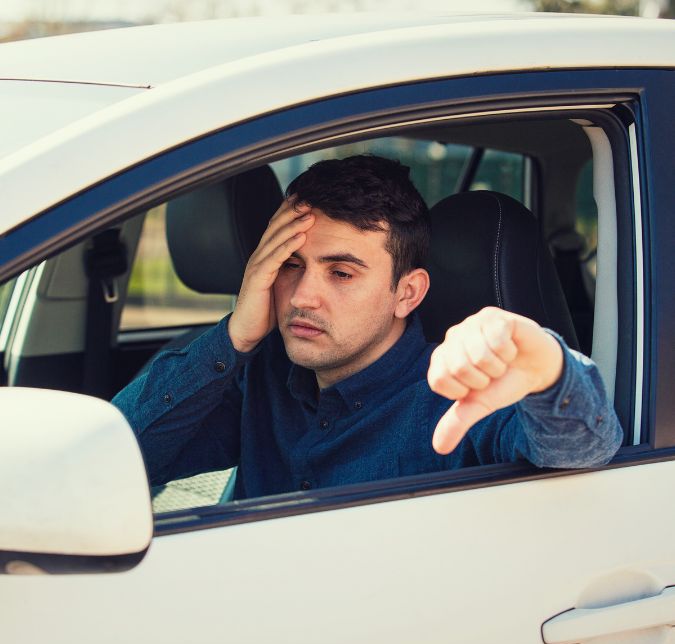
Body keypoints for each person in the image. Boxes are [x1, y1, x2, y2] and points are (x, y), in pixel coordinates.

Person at [113, 155, 622, 499]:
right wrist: (236, 337)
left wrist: (550, 368)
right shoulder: (260, 374)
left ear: (408, 293)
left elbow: (583, 451)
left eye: (341, 273)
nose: (303, 295)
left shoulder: (458, 393)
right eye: (291, 264)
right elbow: (116, 463)